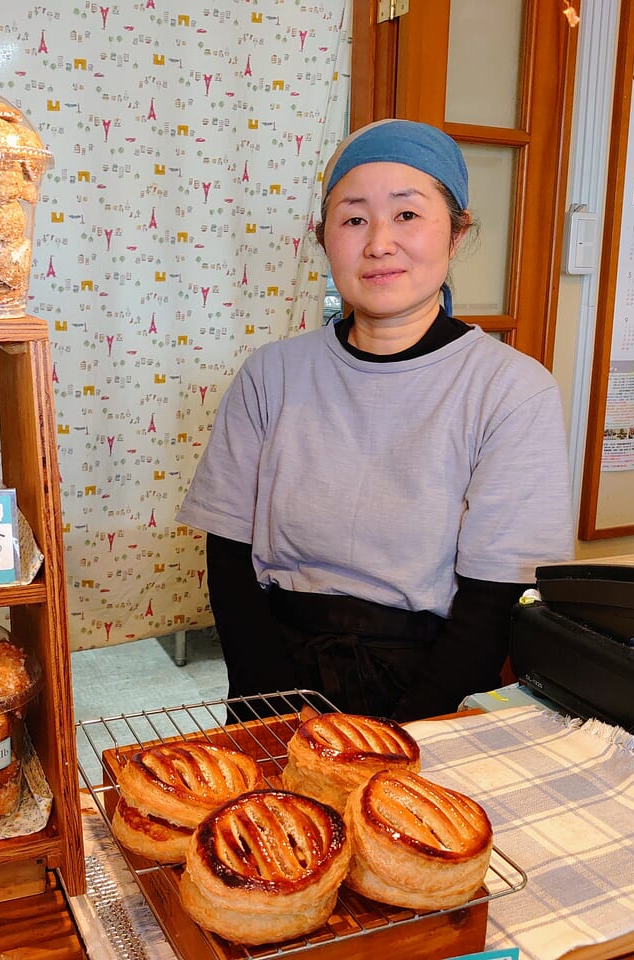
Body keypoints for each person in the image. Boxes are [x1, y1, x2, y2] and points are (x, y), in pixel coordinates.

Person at [176, 119, 574, 722]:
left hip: (432, 684)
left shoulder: (512, 391)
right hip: (273, 679)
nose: (379, 242)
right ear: (324, 238)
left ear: (457, 233)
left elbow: (495, 601)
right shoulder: (270, 376)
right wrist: (277, 712)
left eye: (408, 215)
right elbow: (228, 559)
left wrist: (410, 731)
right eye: (354, 218)